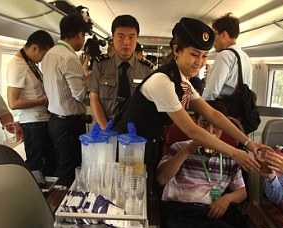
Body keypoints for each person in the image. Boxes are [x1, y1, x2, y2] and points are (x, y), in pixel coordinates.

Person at [112, 17, 270, 183]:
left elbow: (211, 113)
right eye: (194, 54)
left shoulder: (182, 80)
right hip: (126, 151)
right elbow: (191, 130)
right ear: (176, 50)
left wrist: (248, 143)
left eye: (204, 56)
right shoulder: (162, 81)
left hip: (142, 147)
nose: (200, 63)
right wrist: (234, 152)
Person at [41, 13, 89, 186]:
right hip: (69, 124)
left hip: (54, 120)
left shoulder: (49, 54)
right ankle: (67, 209)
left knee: (63, 166)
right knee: (72, 170)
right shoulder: (69, 57)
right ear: (79, 34)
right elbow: (80, 95)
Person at [88, 15, 154, 129]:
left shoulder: (147, 69)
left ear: (137, 38)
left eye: (131, 37)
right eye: (121, 36)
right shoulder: (100, 64)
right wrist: (106, 130)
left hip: (135, 129)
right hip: (107, 125)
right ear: (113, 38)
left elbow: (150, 104)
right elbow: (94, 98)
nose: (126, 42)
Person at [6, 30, 55, 175]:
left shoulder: (30, 63)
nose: (43, 59)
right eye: (44, 54)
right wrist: (42, 100)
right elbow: (13, 102)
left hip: (41, 120)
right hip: (33, 124)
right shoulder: (17, 66)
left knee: (49, 162)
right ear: (35, 48)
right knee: (36, 164)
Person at [202, 13, 252, 102]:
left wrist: (201, 113)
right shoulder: (246, 58)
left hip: (223, 109)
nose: (212, 40)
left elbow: (211, 92)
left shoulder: (224, 56)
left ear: (224, 35)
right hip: (238, 109)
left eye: (214, 34)